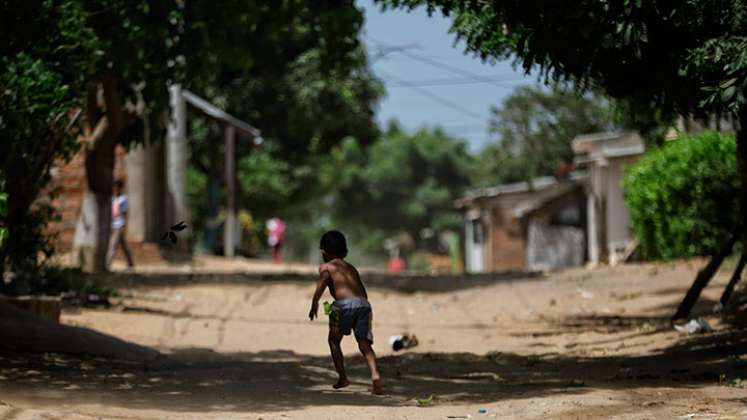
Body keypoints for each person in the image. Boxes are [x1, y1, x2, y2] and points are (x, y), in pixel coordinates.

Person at [308, 230, 383, 395]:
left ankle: (343, 377)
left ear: (323, 252)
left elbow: (323, 282)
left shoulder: (326, 266)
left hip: (341, 306)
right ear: (345, 252)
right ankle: (375, 375)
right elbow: (362, 291)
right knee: (364, 344)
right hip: (363, 305)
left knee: (333, 340)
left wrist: (315, 302)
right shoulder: (351, 268)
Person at [106, 179, 134, 269]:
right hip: (112, 224)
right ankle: (130, 262)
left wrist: (124, 226)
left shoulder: (123, 199)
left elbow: (125, 213)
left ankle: (107, 264)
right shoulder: (112, 199)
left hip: (119, 224)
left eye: (117, 187)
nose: (115, 189)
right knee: (124, 245)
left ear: (120, 188)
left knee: (113, 244)